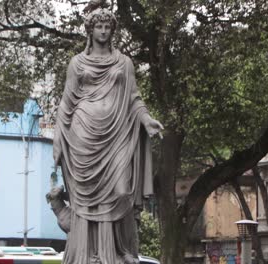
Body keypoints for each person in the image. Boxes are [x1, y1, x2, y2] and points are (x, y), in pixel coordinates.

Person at [52, 4, 163, 264]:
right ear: (90, 31)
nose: (103, 31)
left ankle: (120, 249)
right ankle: (89, 254)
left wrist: (146, 120)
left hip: (118, 134)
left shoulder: (124, 63)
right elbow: (66, 103)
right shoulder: (77, 63)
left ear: (112, 30)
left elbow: (135, 98)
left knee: (123, 190)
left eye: (107, 27)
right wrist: (58, 138)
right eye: (98, 27)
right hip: (83, 135)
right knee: (87, 200)